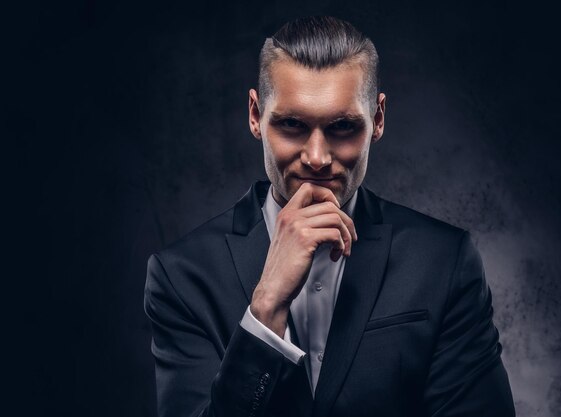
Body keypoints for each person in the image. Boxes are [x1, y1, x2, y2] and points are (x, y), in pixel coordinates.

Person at [144, 16, 515, 417]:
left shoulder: (443, 261)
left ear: (378, 119)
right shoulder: (181, 275)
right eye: (291, 125)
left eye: (342, 127)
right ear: (255, 115)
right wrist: (265, 309)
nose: (317, 158)